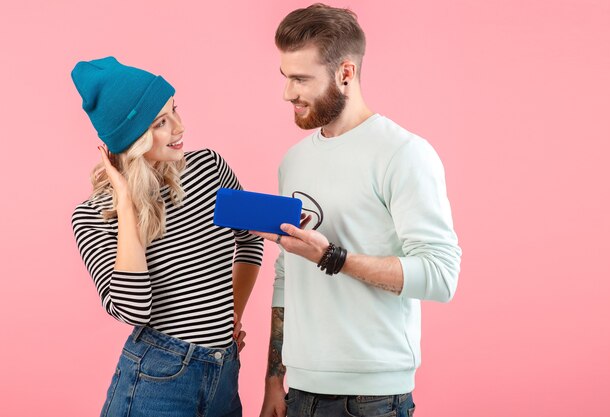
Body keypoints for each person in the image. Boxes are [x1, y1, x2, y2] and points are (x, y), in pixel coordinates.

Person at [256, 4, 462, 417]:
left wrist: (333, 257)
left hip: (372, 399)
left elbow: (441, 276)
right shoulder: (293, 161)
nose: (287, 93)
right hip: (298, 392)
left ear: (345, 73)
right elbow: (285, 273)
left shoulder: (403, 154)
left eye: (301, 79)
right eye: (285, 77)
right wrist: (274, 380)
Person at [70, 56, 263, 417]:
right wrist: (126, 206)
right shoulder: (94, 215)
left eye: (175, 110)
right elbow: (133, 309)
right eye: (161, 122)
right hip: (157, 377)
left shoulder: (209, 169)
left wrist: (232, 314)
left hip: (224, 372)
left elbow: (251, 238)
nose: (180, 127)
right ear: (133, 138)